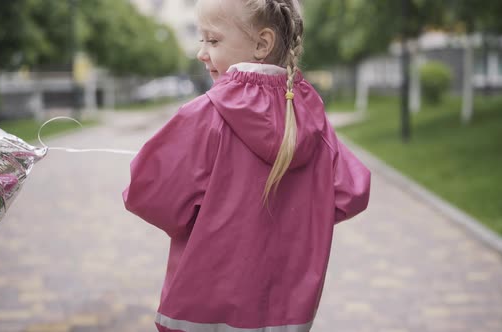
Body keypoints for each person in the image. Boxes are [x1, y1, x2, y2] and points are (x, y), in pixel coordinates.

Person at [122, 0, 371, 331]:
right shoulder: (310, 118)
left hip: (203, 315)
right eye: (202, 41)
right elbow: (351, 191)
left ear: (261, 44)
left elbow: (148, 195)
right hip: (287, 318)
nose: (202, 53)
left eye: (213, 40)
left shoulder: (205, 116)